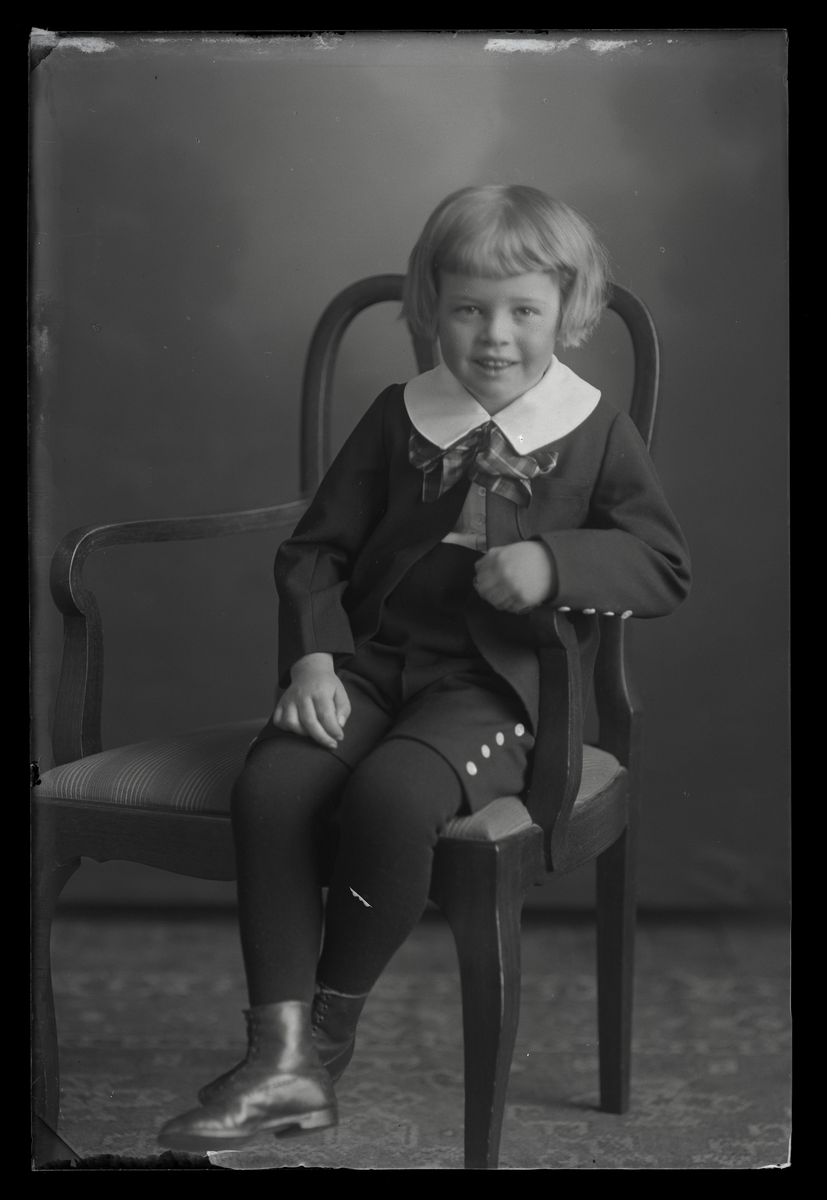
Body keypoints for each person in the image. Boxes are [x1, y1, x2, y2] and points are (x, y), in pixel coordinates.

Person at [158, 184, 690, 1152]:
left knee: (393, 798)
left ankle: (321, 1040)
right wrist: (311, 659)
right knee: (273, 784)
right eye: (468, 309)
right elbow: (313, 551)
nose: (495, 336)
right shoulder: (398, 416)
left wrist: (555, 563)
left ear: (567, 311)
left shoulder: (593, 428)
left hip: (499, 690)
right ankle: (277, 1053)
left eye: (522, 310)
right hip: (374, 666)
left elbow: (661, 565)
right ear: (430, 307)